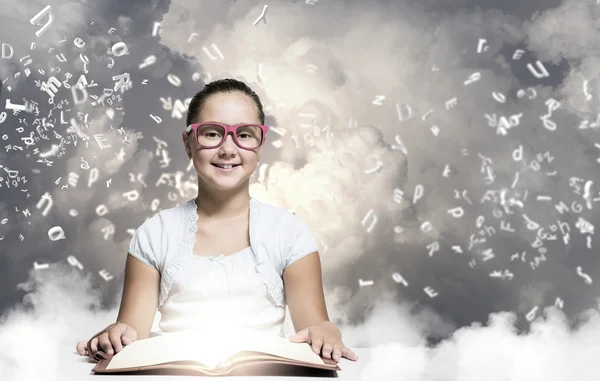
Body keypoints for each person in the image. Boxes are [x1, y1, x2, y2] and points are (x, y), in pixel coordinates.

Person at [76, 78, 358, 364]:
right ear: (188, 143)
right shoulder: (155, 234)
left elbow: (314, 326)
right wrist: (114, 336)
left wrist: (325, 331)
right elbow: (131, 334)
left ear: (260, 145)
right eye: (212, 134)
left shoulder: (290, 234)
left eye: (245, 135)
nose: (228, 149)